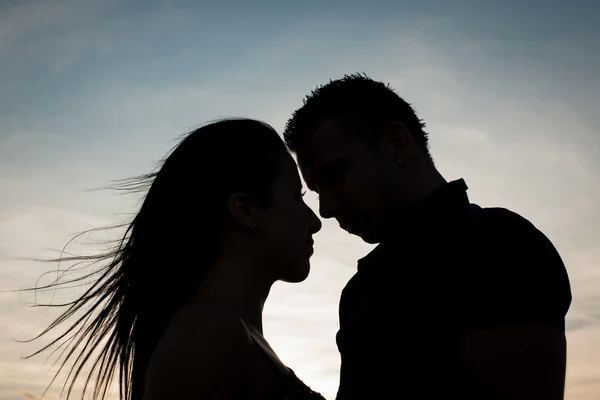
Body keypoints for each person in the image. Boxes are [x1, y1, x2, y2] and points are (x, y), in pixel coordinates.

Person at [283, 74, 572, 399]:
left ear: (397, 144)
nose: (325, 208)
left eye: (334, 176)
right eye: (317, 190)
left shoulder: (499, 246)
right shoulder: (359, 290)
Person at [24, 118, 325, 400]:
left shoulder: (227, 336)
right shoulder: (208, 336)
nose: (315, 221)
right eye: (297, 196)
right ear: (245, 210)